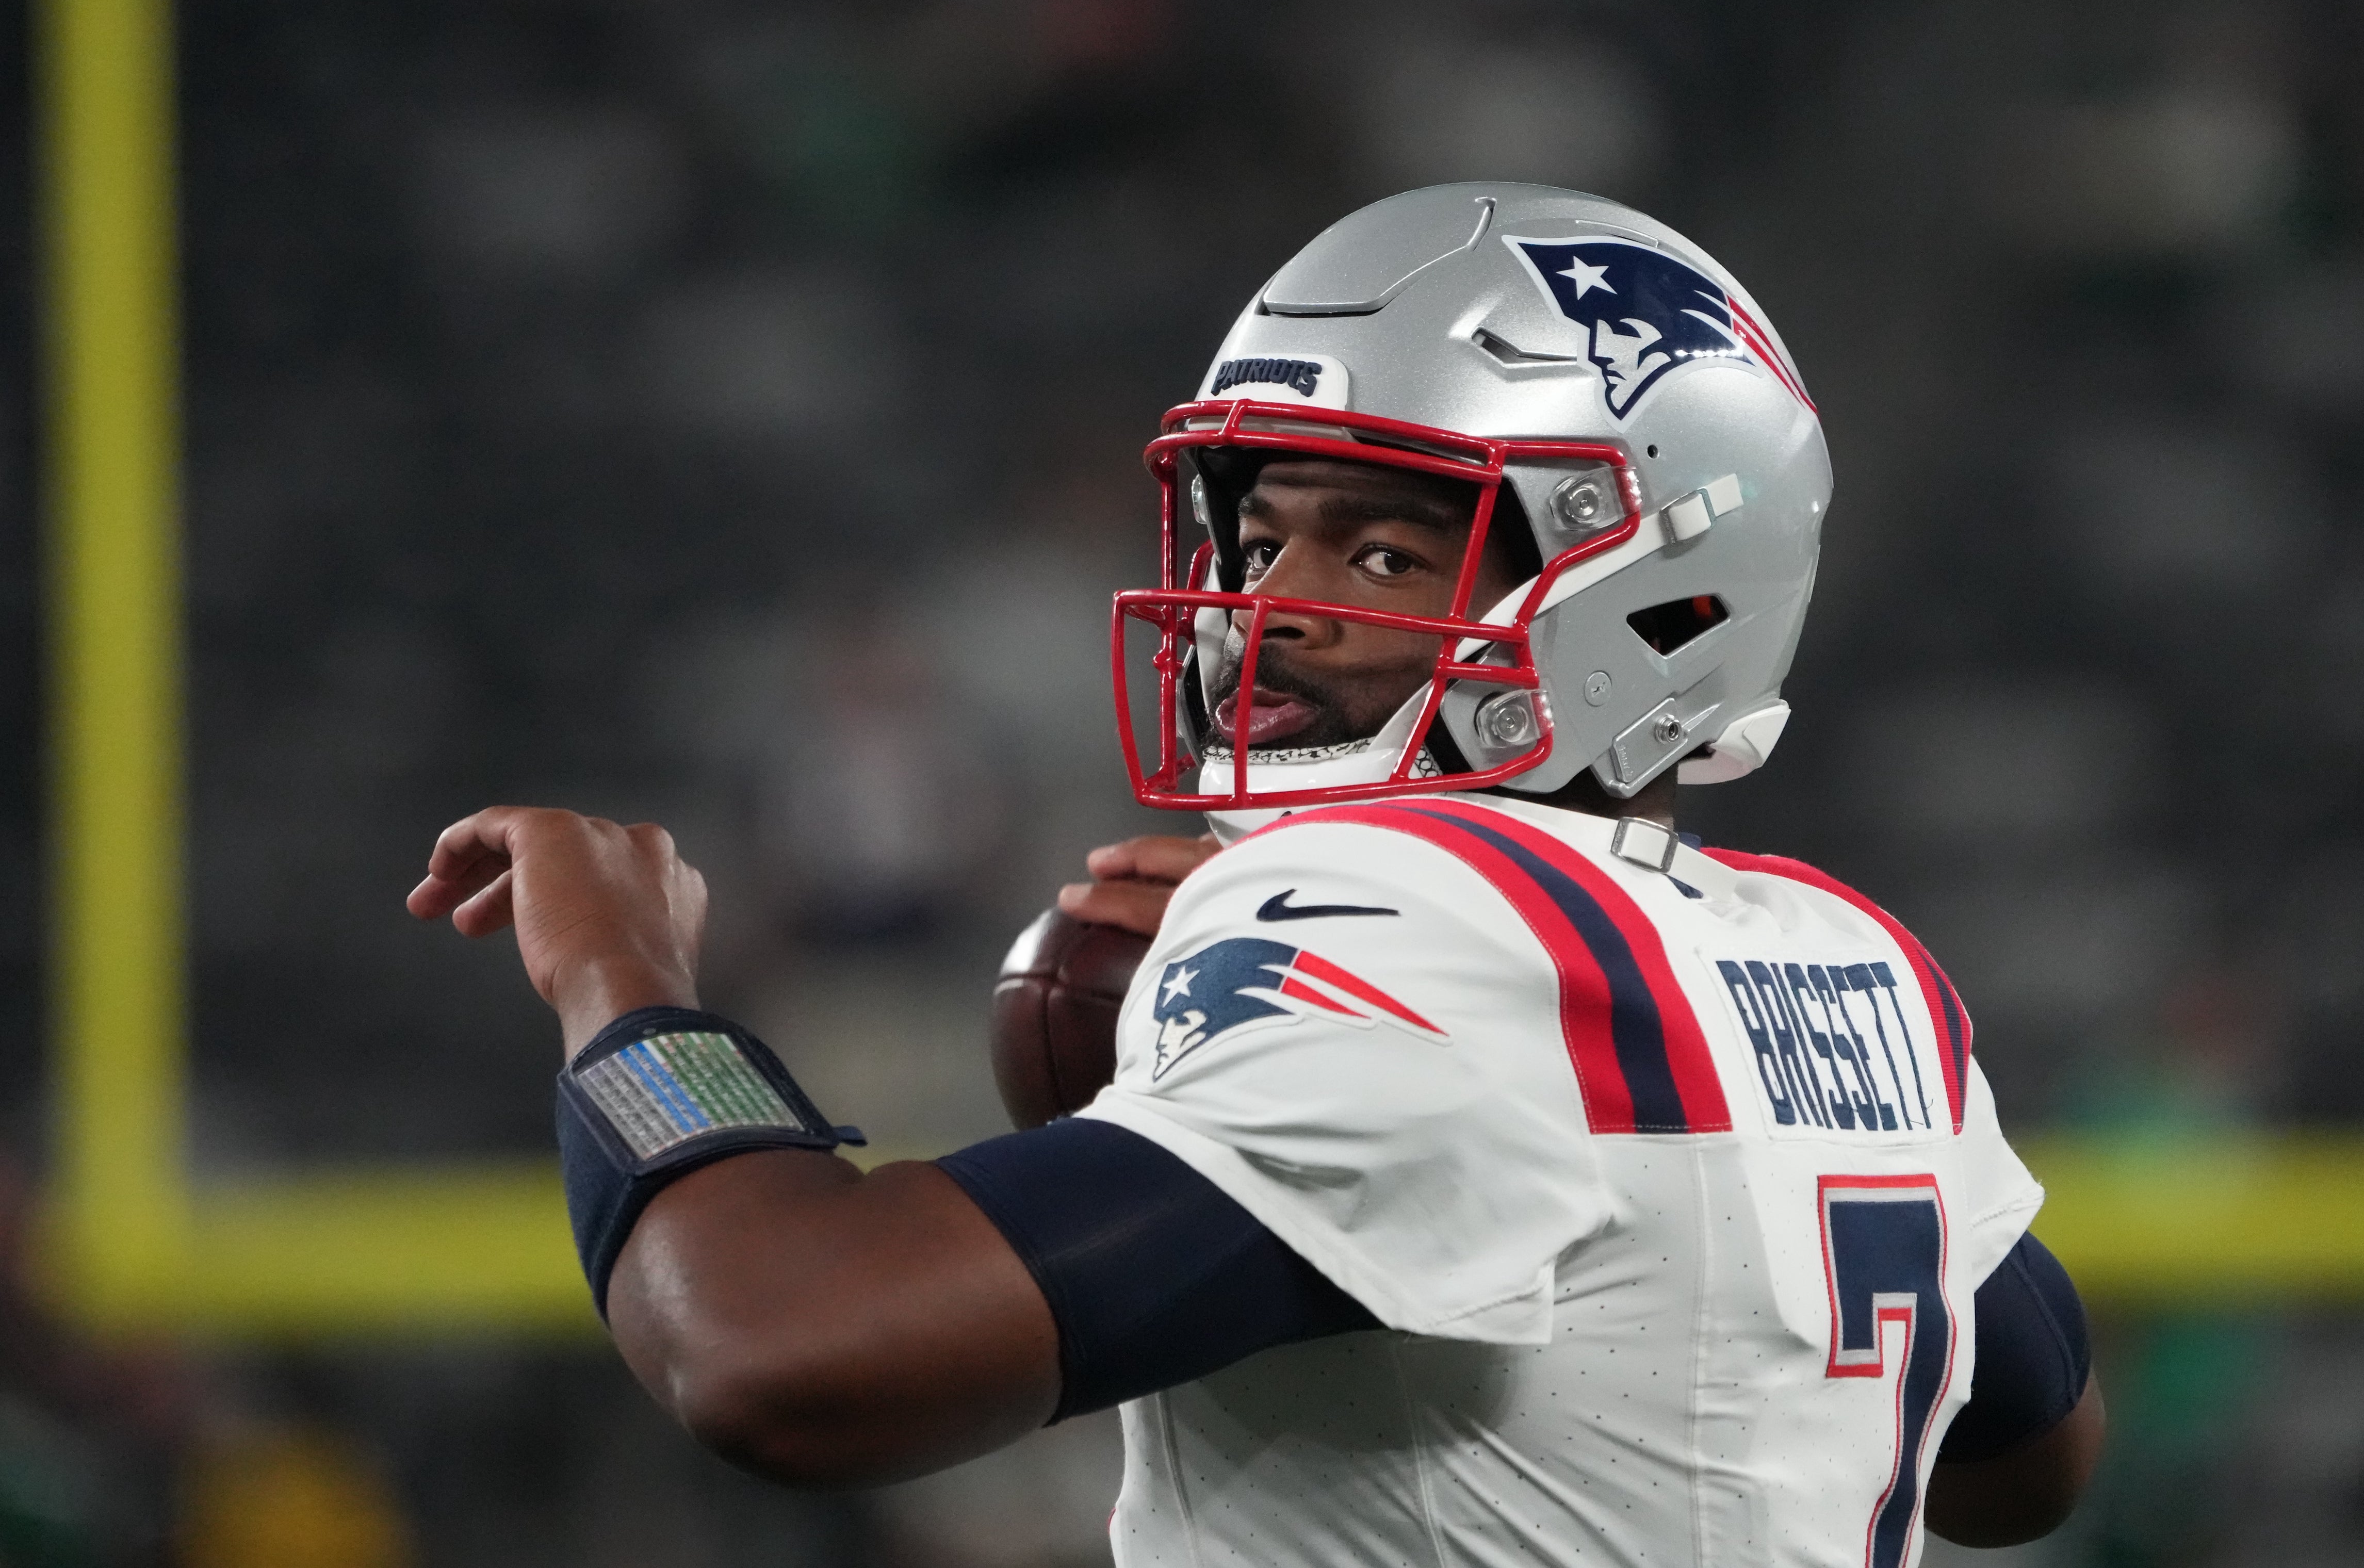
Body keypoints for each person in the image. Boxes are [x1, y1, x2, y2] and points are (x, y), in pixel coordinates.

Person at [410, 184, 2103, 1564]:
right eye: (1254, 533)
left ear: (1665, 592)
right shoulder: (1844, 957)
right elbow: (2021, 1460)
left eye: (1380, 549)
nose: (1269, 603)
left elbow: (775, 1353)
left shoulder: (1412, 919)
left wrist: (621, 985)